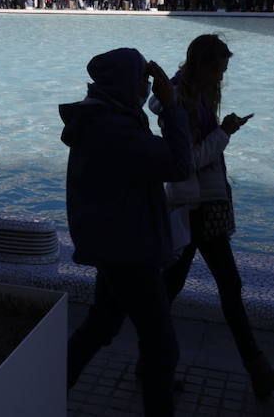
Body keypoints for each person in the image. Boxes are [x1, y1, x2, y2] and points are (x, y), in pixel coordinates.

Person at [158, 34, 274, 399]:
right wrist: (224, 132)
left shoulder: (194, 95)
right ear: (203, 65)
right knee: (221, 285)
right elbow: (187, 160)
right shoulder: (180, 101)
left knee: (178, 287)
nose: (222, 77)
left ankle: (152, 367)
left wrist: (224, 130)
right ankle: (257, 371)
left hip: (203, 203)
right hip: (197, 206)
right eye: (219, 69)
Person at [62, 48, 191, 417]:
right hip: (129, 249)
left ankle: (46, 387)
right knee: (162, 348)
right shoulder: (114, 127)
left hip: (115, 241)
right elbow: (178, 165)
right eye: (142, 79)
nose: (147, 85)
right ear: (124, 82)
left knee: (100, 325)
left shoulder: (107, 116)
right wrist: (172, 107)